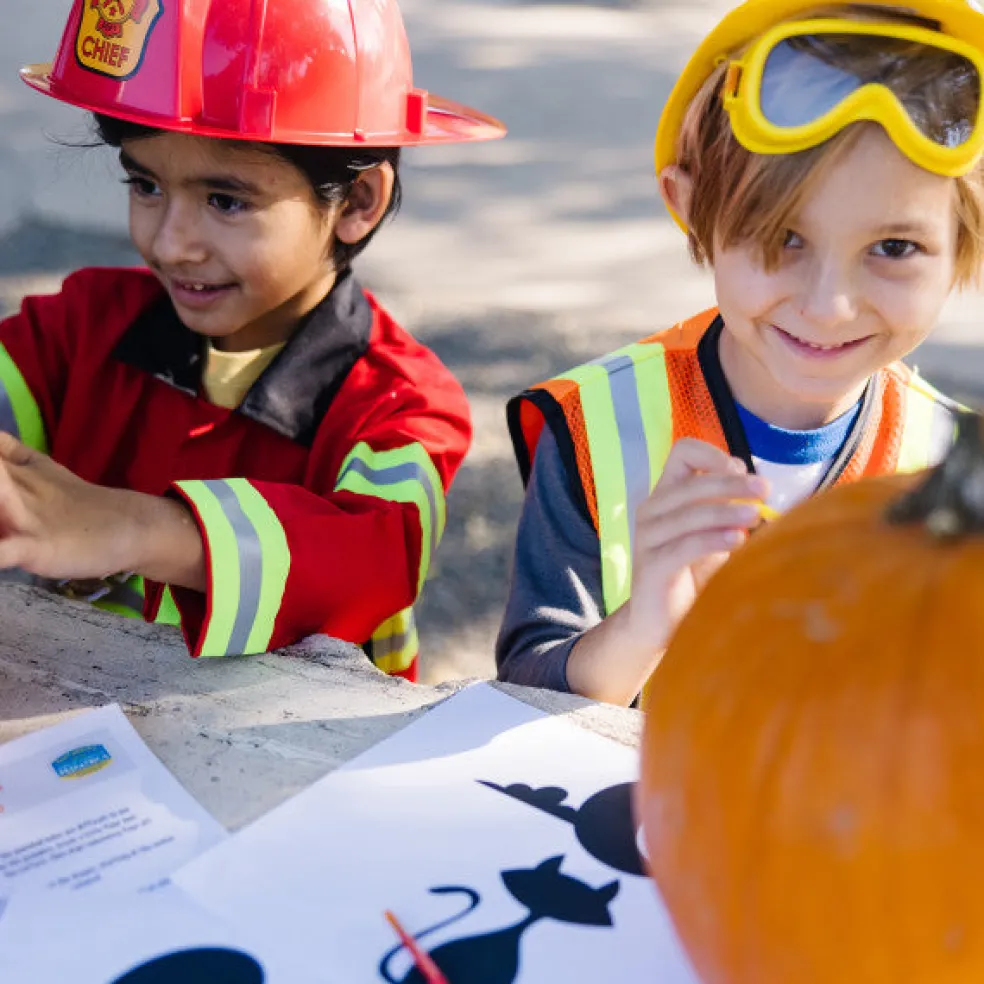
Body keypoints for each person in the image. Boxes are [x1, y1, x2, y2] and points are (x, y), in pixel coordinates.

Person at [497, 0, 984, 705]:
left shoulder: (953, 472)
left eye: (894, 247)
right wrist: (642, 626)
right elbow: (520, 694)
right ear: (694, 210)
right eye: (784, 236)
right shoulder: (604, 427)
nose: (828, 306)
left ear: (963, 247)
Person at [6, 0, 505, 680]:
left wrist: (127, 527)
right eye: (145, 183)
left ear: (358, 201)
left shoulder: (399, 408)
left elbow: (372, 561)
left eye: (226, 200)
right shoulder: (82, 324)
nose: (170, 242)